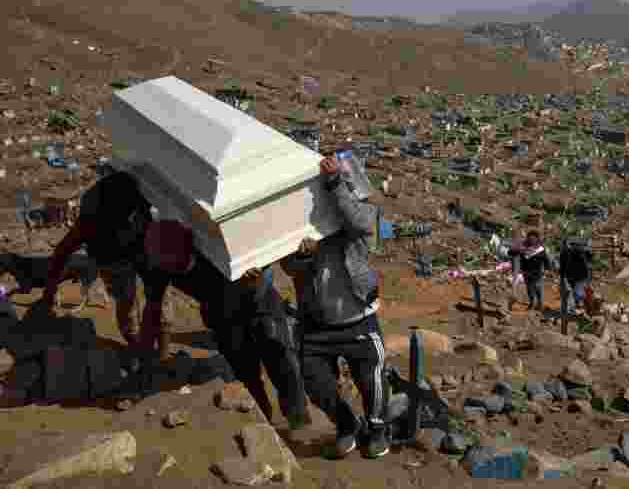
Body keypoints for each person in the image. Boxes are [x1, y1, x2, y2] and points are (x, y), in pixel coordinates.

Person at [136, 220, 310, 430]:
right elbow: (153, 309)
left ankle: (298, 419)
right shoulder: (159, 263)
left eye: (178, 263)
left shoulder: (218, 245)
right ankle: (264, 421)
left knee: (281, 359)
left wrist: (255, 277)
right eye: (168, 266)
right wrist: (144, 354)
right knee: (245, 373)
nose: (174, 269)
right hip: (222, 317)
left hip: (257, 300)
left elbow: (263, 254)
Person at [282, 154, 389, 461]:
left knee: (373, 382)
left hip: (358, 320)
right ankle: (346, 424)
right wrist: (302, 257)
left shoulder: (361, 213)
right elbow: (290, 268)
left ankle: (378, 429)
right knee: (316, 385)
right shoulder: (302, 226)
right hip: (317, 324)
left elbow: (361, 222)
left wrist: (334, 184)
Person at [41, 171, 170, 354]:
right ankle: (136, 347)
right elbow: (62, 251)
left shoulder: (137, 201)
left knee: (160, 295)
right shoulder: (91, 222)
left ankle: (163, 355)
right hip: (112, 258)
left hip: (140, 247)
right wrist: (49, 291)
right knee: (126, 301)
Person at [509, 231, 551, 313]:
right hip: (526, 272)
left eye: (533, 238)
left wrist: (547, 269)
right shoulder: (523, 247)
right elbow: (510, 252)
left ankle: (540, 304)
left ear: (536, 239)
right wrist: (520, 250)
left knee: (538, 288)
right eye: (530, 238)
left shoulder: (540, 249)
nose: (531, 240)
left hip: (537, 272)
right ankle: (532, 303)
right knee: (530, 289)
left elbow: (546, 260)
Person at [559, 238, 593, 315]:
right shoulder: (564, 253)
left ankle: (580, 307)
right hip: (570, 276)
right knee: (570, 293)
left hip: (581, 276)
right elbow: (562, 265)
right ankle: (572, 309)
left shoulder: (581, 252)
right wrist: (562, 276)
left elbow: (589, 258)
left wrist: (586, 250)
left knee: (578, 293)